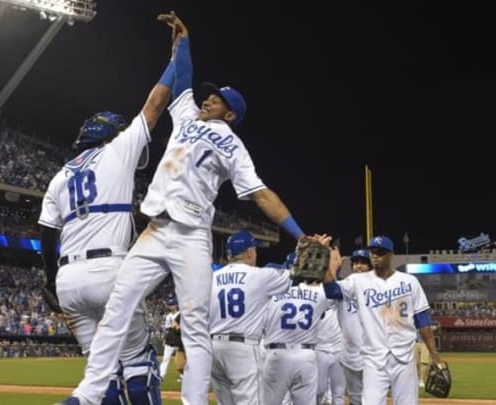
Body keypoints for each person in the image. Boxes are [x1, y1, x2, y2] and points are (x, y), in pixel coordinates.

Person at [63, 11, 307, 405]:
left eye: (219, 99)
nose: (209, 98)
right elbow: (182, 79)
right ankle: (88, 396)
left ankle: (194, 402)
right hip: (155, 231)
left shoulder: (234, 146)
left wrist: (300, 234)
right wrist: (183, 42)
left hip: (192, 237)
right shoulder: (186, 118)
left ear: (231, 114)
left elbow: (262, 193)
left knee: (196, 327)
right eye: (210, 95)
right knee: (117, 308)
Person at [43, 24, 174, 404]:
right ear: (110, 134)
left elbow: (47, 236)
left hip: (68, 281)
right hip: (109, 272)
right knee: (137, 362)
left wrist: (52, 283)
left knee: (101, 376)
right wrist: (177, 57)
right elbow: (155, 104)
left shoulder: (59, 175)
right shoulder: (117, 150)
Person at [323, 236, 443, 405]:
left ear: (391, 255)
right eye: (373, 252)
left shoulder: (409, 281)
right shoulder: (358, 281)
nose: (375, 256)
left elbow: (422, 320)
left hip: (404, 358)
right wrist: (323, 260)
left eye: (380, 252)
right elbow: (332, 291)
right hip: (373, 360)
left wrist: (435, 356)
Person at [209, 230, 292, 405]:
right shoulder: (260, 275)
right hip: (242, 348)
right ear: (249, 252)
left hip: (213, 348)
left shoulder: (212, 278)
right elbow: (295, 275)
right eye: (255, 249)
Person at [261, 239, 334, 405]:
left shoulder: (269, 294)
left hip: (277, 354)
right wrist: (325, 254)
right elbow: (333, 289)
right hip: (306, 356)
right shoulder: (317, 293)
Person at [336, 249, 372, 405]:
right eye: (356, 263)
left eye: (363, 263)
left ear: (370, 266)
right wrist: (334, 268)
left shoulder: (379, 287)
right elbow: (330, 289)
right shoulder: (345, 286)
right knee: (355, 397)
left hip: (373, 353)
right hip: (350, 352)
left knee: (374, 396)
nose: (359, 266)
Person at [315, 306, 345, 405]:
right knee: (319, 391)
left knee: (338, 393)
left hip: (339, 348)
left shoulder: (341, 301)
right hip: (320, 348)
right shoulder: (318, 299)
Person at [159, 297, 180, 379]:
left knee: (180, 359)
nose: (170, 306)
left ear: (176, 305)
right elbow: (167, 329)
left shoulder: (180, 314)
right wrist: (165, 339)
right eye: (170, 305)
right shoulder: (168, 316)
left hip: (178, 339)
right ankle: (161, 375)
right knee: (165, 359)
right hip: (170, 339)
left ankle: (183, 376)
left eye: (172, 305)